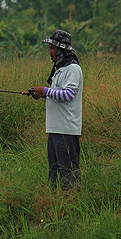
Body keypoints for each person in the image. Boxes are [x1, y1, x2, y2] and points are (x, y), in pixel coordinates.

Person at [28, 29, 83, 188]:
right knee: (54, 175)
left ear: (61, 50)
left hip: (66, 129)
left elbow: (69, 94)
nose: (50, 52)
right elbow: (58, 93)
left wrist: (45, 90)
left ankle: (71, 205)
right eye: (50, 48)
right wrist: (41, 94)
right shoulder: (59, 69)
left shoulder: (73, 68)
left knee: (69, 176)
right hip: (55, 129)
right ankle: (57, 205)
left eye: (53, 49)